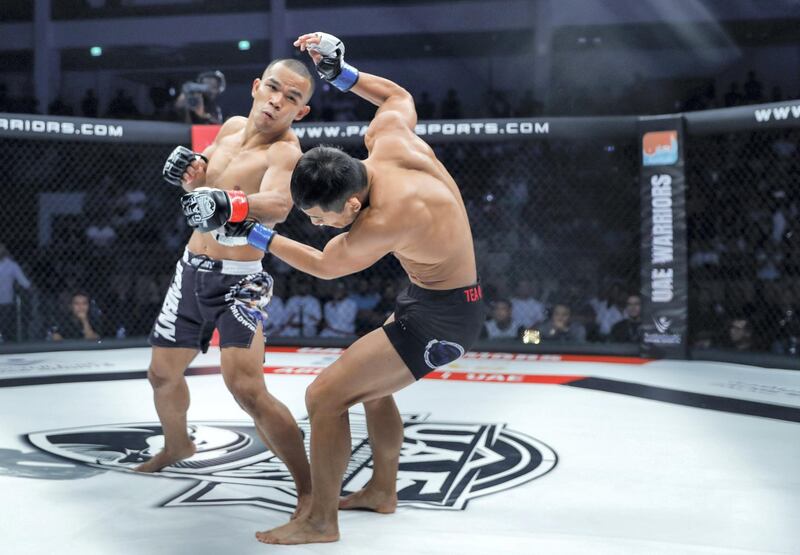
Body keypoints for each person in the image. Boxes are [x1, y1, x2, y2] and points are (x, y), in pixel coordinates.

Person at [218, 32, 487, 545]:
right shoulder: (388, 140)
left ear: (353, 207)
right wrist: (343, 75)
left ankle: (320, 520)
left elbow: (322, 266)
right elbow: (396, 98)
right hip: (431, 299)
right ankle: (383, 490)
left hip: (444, 317)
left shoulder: (388, 218)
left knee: (324, 396)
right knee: (370, 390)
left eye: (321, 217)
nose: (319, 225)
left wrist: (253, 231)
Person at [138, 59, 315, 520]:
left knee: (246, 388)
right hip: (190, 270)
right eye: (274, 88)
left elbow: (277, 206)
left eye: (291, 98)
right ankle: (178, 444)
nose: (278, 100)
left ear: (301, 111)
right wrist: (193, 177)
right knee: (160, 374)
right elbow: (203, 190)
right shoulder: (232, 127)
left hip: (241, 283)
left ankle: (310, 490)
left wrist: (227, 200)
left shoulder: (286, 152)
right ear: (257, 87)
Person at [0, 243, 31, 342]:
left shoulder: (11, 265)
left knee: (6, 327)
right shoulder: (12, 265)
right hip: (6, 301)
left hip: (6, 300)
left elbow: (24, 282)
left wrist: (31, 288)